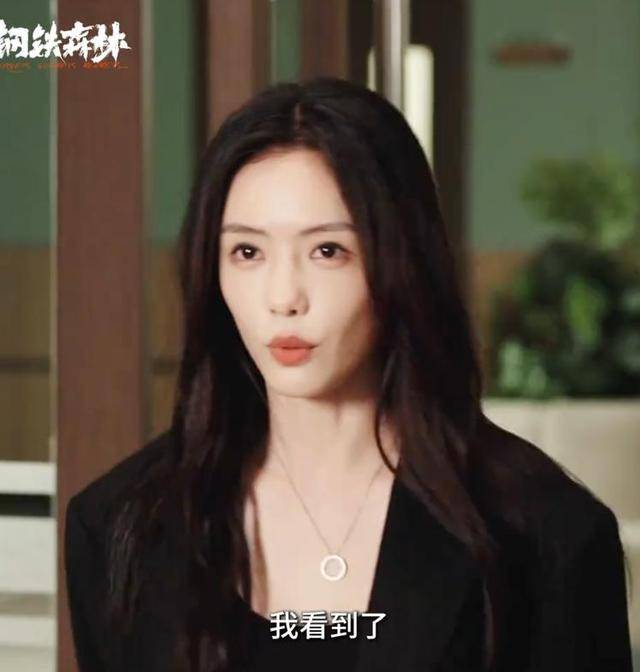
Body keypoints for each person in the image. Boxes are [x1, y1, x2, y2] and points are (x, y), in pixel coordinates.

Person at [64, 76, 633, 672]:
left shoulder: (544, 534)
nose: (283, 298)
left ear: (402, 262)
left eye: (328, 251)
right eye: (247, 252)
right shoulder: (120, 525)